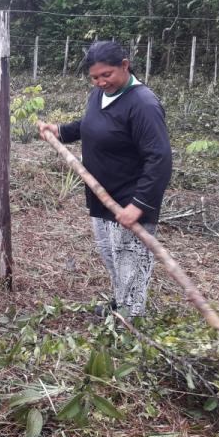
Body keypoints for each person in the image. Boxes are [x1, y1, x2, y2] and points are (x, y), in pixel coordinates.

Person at [38, 40, 172, 318]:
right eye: (94, 77)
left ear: (124, 65)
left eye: (106, 75)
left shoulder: (143, 104)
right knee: (113, 257)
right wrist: (61, 130)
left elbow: (159, 160)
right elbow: (90, 125)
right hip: (101, 196)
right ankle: (122, 302)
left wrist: (139, 205)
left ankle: (132, 320)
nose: (100, 82)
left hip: (128, 200)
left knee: (132, 262)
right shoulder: (99, 95)